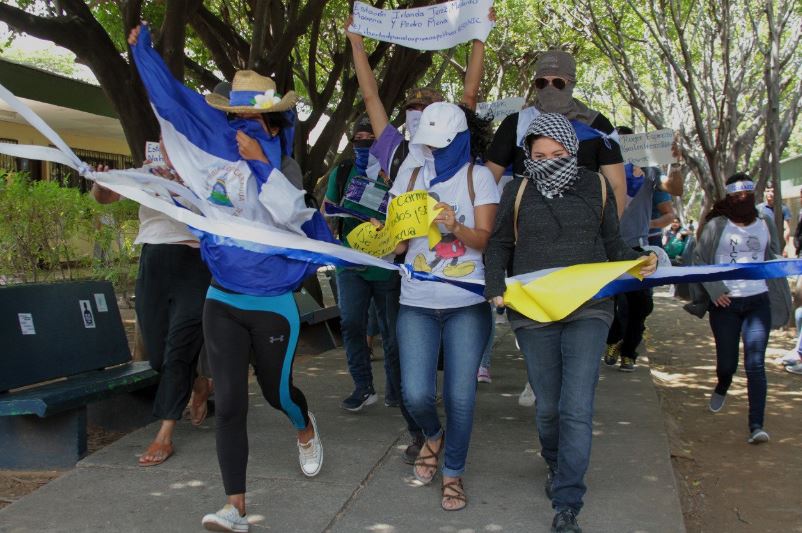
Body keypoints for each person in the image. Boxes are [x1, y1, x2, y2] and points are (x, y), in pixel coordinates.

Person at [129, 24, 333, 532]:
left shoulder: (282, 164)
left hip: (272, 302)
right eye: (233, 118)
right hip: (221, 298)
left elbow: (291, 216)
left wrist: (262, 165)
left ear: (270, 121)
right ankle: (234, 506)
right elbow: (177, 111)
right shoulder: (213, 162)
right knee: (230, 405)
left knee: (276, 391)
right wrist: (145, 57)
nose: (239, 128)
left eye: (250, 119)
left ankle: (304, 428)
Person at [483, 113, 657, 533]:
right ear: (527, 156)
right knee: (548, 408)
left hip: (590, 309)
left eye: (557, 154)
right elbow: (500, 242)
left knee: (576, 407)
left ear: (572, 151)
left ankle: (568, 502)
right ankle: (556, 462)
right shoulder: (518, 188)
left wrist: (637, 263)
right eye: (538, 155)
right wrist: (495, 287)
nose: (547, 161)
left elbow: (611, 241)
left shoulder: (595, 185)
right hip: (534, 311)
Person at [343, 12, 491, 463]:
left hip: (458, 286)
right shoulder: (398, 150)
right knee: (408, 370)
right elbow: (370, 95)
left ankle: (437, 445)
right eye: (414, 107)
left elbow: (469, 90)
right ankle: (421, 433)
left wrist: (479, 34)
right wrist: (356, 43)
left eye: (429, 107)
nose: (419, 112)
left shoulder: (460, 149)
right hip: (402, 274)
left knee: (423, 369)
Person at [389, 102, 498, 512]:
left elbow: (486, 240)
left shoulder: (479, 177)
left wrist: (455, 226)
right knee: (415, 393)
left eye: (440, 145)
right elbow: (398, 243)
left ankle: (453, 471)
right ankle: (432, 435)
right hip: (415, 301)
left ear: (459, 141)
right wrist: (388, 240)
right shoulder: (411, 173)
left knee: (461, 397)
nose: (433, 152)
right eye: (427, 145)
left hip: (466, 303)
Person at [91, 141, 210, 467]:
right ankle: (199, 381)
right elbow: (106, 198)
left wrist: (184, 186)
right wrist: (101, 184)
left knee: (178, 350)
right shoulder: (147, 173)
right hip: (153, 262)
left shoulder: (208, 173)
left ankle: (165, 434)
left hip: (195, 263)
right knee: (158, 356)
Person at [687, 172, 791, 444]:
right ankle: (723, 383)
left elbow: (773, 257)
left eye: (747, 196)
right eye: (737, 196)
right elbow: (699, 261)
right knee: (727, 363)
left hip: (759, 301)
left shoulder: (766, 222)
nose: (742, 200)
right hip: (726, 305)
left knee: (755, 363)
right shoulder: (716, 226)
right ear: (729, 197)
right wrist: (715, 290)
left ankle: (756, 425)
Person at [321, 115, 403, 412]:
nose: (364, 145)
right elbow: (327, 212)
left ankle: (397, 390)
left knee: (392, 332)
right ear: (351, 142)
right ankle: (363, 387)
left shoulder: (395, 173)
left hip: (385, 264)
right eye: (359, 141)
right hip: (350, 262)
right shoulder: (341, 172)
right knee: (352, 324)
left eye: (371, 141)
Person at [484, 50, 627, 213]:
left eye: (558, 83)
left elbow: (616, 186)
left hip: (582, 224)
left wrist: (609, 234)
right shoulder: (515, 124)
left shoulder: (597, 126)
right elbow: (488, 182)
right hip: (527, 224)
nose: (549, 88)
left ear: (571, 82)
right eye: (542, 83)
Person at [603, 126, 684, 371]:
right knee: (613, 301)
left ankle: (629, 349)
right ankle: (614, 339)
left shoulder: (650, 172)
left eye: (630, 143)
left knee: (641, 304)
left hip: (639, 248)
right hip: (608, 247)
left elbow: (675, 189)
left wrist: (676, 164)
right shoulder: (603, 168)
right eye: (620, 142)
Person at [757, 186, 792, 256]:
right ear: (764, 192)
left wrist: (786, 246)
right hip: (763, 245)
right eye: (768, 191)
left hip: (779, 244)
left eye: (772, 191)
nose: (770, 193)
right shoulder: (758, 209)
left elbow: (786, 229)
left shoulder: (783, 208)